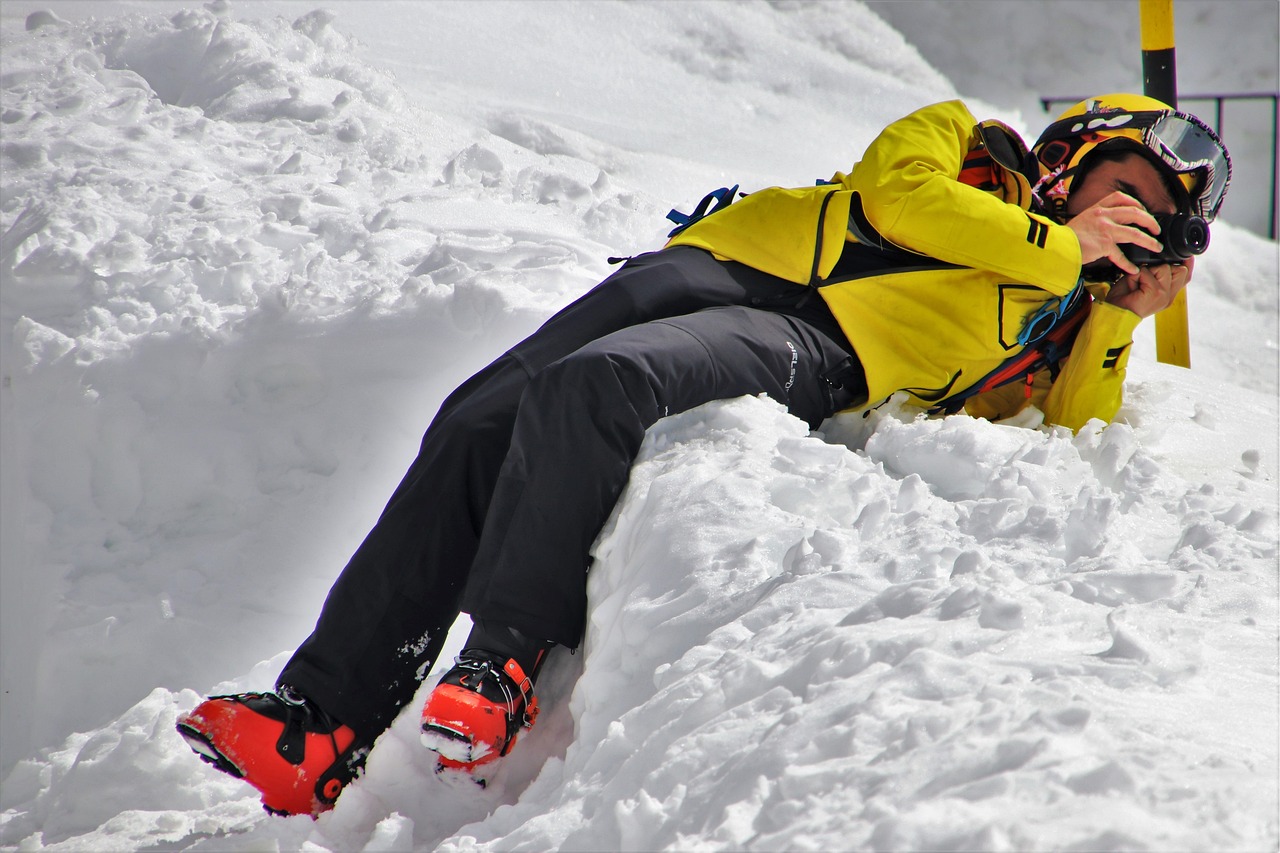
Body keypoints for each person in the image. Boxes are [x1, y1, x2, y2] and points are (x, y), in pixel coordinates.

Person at [176, 93, 1231, 816]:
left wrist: (1112, 316)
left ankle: (498, 666)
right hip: (715, 264)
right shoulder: (958, 140)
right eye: (1125, 186)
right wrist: (1060, 243)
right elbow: (891, 198)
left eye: (1152, 217)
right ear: (1071, 156)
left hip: (822, 343)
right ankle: (320, 727)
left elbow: (1068, 436)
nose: (1129, 217)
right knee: (473, 419)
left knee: (601, 385)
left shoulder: (1057, 307)